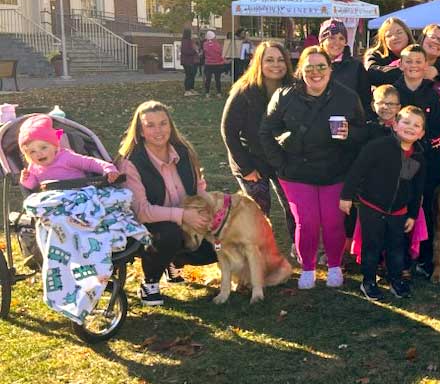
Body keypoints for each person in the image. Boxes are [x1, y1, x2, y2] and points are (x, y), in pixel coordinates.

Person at [259, 46, 368, 289]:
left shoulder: (347, 97)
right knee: (306, 222)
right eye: (309, 67)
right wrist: (280, 164)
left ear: (331, 69)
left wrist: (349, 133)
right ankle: (307, 267)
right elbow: (266, 131)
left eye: (322, 66)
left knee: (332, 222)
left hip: (335, 171)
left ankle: (334, 266)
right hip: (296, 172)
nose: (316, 72)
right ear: (300, 71)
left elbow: (363, 133)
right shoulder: (284, 96)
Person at [116, 101, 215, 306]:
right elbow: (142, 212)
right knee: (169, 234)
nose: (158, 130)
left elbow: (199, 187)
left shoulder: (184, 151)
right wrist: (183, 216)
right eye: (150, 125)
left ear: (170, 126)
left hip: (186, 216)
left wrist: (209, 212)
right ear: (140, 131)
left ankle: (173, 261)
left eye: (163, 123)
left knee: (215, 248)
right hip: (148, 225)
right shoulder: (131, 162)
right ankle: (150, 282)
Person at [340, 105, 426, 301]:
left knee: (396, 248)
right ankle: (368, 281)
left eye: (416, 125)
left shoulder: (418, 157)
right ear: (395, 125)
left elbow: (417, 189)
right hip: (372, 207)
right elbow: (357, 171)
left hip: (399, 212)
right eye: (405, 122)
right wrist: (346, 196)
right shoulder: (378, 147)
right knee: (372, 246)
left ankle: (396, 280)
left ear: (421, 133)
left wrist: (412, 214)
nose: (410, 127)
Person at [220, 40, 297, 244]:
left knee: (294, 207)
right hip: (251, 160)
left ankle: (299, 248)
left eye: (281, 60)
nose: (276, 64)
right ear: (258, 63)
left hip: (282, 160)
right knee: (259, 212)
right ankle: (260, 256)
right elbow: (228, 131)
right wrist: (246, 168)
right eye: (269, 60)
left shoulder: (294, 90)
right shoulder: (244, 91)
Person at [393, 44, 440, 275]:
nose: (414, 66)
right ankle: (399, 255)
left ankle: (425, 256)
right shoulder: (394, 92)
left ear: (425, 66)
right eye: (409, 61)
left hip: (427, 162)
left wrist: (428, 149)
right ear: (400, 64)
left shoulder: (433, 94)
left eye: (419, 62)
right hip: (397, 162)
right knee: (399, 206)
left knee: (426, 207)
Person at [19, 114, 120, 190]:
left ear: (55, 147)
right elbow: (34, 186)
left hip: (79, 192)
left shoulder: (66, 157)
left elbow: (90, 163)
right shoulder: (33, 167)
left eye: (43, 147)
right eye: (32, 152)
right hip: (54, 201)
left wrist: (108, 169)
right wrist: (27, 179)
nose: (39, 153)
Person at [317, 18, 372, 112]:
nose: (337, 42)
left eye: (341, 38)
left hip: (347, 122)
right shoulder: (311, 64)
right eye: (332, 38)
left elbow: (365, 101)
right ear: (322, 41)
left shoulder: (356, 67)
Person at [364, 17, 415, 86]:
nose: (395, 37)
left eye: (399, 33)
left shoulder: (419, 52)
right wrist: (404, 69)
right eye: (389, 35)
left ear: (407, 34)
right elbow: (372, 73)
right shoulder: (375, 55)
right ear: (383, 40)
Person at [202, 30, 225, 97]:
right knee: (217, 79)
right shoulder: (217, 45)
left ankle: (207, 93)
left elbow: (205, 52)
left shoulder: (205, 44)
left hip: (208, 64)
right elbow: (220, 53)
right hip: (217, 64)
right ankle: (218, 92)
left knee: (208, 79)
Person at [180, 27, 199, 96]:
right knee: (189, 75)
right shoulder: (185, 41)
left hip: (192, 61)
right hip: (187, 61)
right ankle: (187, 90)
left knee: (192, 75)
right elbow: (185, 51)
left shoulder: (191, 41)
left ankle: (191, 89)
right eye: (192, 33)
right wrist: (194, 51)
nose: (192, 34)